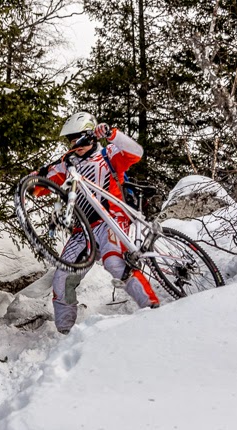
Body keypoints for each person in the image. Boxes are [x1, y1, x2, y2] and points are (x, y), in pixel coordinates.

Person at [38, 111, 160, 334]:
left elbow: (137, 152)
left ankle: (154, 309)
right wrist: (29, 181)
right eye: (71, 141)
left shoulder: (108, 153)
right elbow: (41, 184)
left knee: (115, 264)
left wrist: (112, 134)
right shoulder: (67, 164)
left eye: (80, 139)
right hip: (82, 230)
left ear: (91, 136)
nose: (76, 145)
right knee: (61, 277)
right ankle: (66, 334)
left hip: (111, 219)